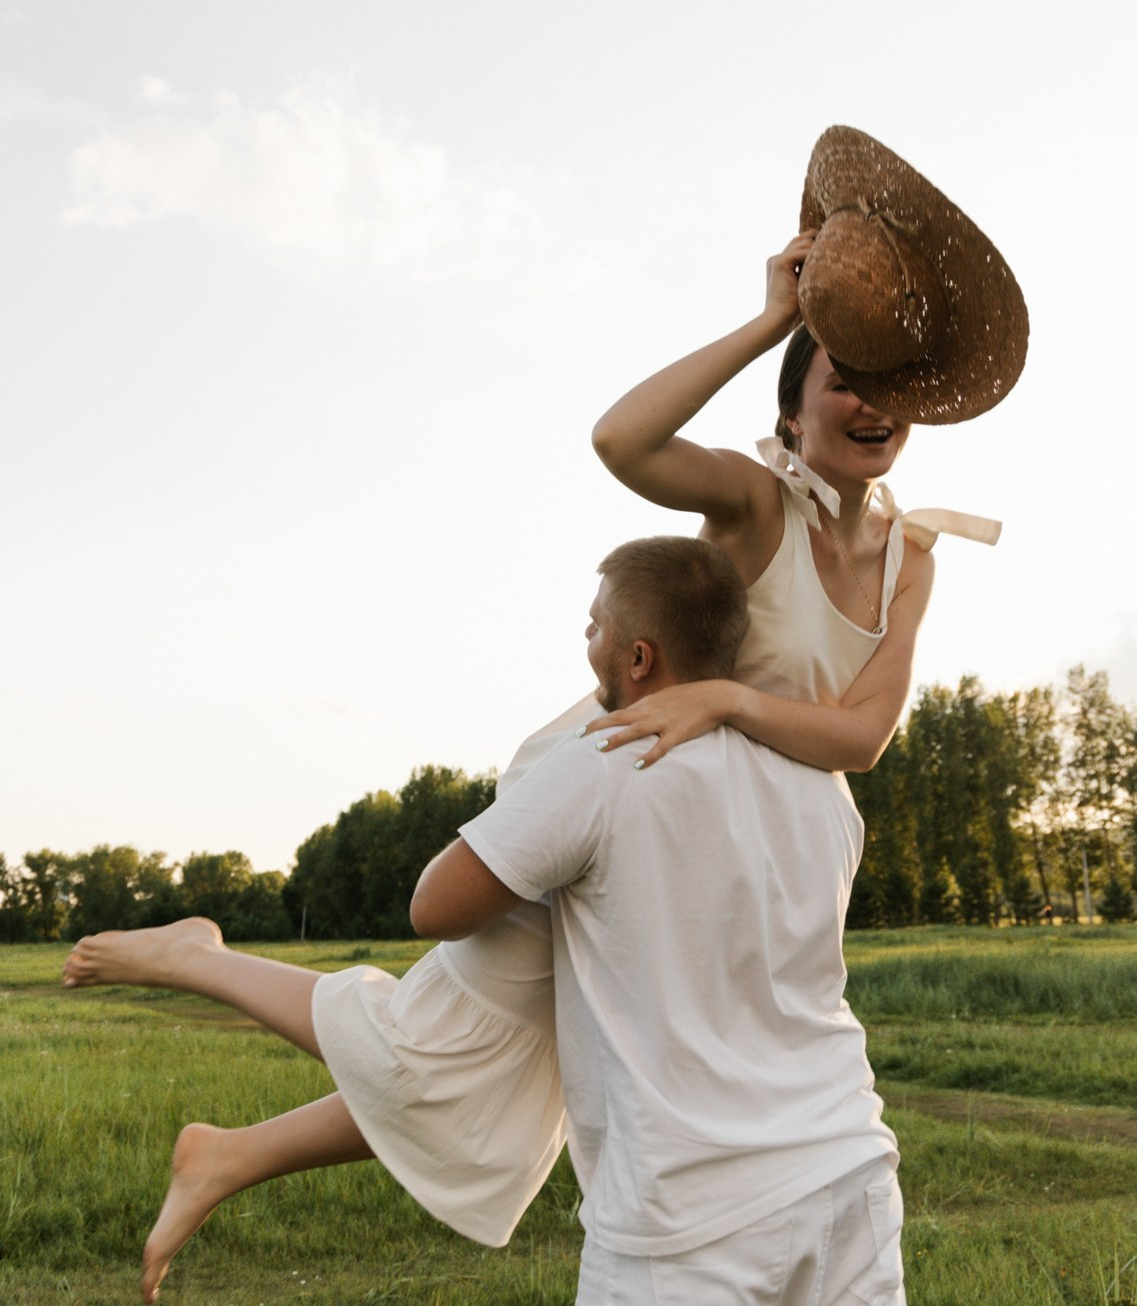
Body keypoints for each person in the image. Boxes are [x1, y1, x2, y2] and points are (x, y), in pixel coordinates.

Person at [63, 126, 1019, 1302]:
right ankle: (202, 964)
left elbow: (864, 736)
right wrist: (769, 319)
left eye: (884, 387)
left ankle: (234, 1147)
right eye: (838, 379)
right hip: (633, 775)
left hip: (752, 810)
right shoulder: (758, 499)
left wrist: (723, 699)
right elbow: (622, 439)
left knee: (523, 1065)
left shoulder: (912, 555)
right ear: (797, 404)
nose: (866, 404)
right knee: (445, 1048)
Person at [411, 535, 902, 1302]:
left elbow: (434, 906)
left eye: (594, 626)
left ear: (638, 658)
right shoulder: (824, 783)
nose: (586, 641)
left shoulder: (605, 760)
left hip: (686, 1212)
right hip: (846, 1166)